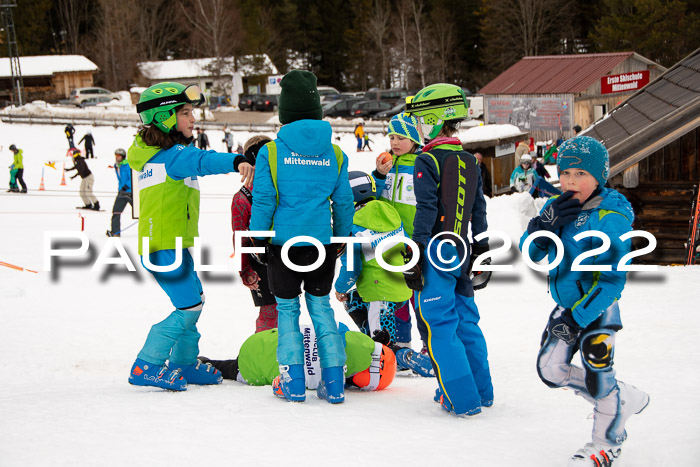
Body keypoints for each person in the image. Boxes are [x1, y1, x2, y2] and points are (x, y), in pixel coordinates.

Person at [519, 136, 649, 466]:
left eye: (580, 174)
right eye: (565, 174)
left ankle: (607, 442)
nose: (571, 182)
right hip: (566, 307)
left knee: (598, 375)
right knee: (550, 369)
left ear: (598, 177)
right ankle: (619, 398)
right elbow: (532, 254)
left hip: (598, 310)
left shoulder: (610, 216)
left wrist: (578, 318)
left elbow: (612, 279)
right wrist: (542, 226)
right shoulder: (557, 206)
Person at [126, 81, 254, 391]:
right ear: (164, 118)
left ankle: (183, 362)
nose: (192, 119)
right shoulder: (172, 156)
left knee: (194, 301)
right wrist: (236, 160)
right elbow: (202, 160)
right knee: (188, 306)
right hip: (163, 246)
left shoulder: (158, 154)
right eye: (185, 113)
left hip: (170, 245)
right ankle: (148, 364)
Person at [249, 69, 354, 404]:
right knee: (322, 308)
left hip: (283, 246)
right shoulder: (336, 154)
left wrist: (258, 239)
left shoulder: (272, 153)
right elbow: (343, 202)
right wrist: (341, 238)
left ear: (284, 113)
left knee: (287, 310)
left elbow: (264, 201)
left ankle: (293, 382)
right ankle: (335, 384)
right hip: (322, 244)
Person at [403, 83, 493, 416]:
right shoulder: (469, 160)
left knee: (439, 325)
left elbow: (426, 209)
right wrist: (482, 249)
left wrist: (415, 250)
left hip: (435, 251)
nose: (419, 127)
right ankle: (482, 392)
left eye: (422, 120)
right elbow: (479, 210)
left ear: (439, 120)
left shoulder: (427, 159)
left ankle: (462, 399)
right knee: (467, 322)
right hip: (463, 250)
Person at [335, 171, 434, 378]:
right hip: (399, 286)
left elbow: (352, 268)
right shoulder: (390, 212)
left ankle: (406, 357)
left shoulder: (353, 227)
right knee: (354, 301)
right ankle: (378, 343)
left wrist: (340, 288)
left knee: (381, 343)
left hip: (379, 293)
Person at [199, 324, 397, 393]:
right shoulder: (328, 380)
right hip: (252, 369)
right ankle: (207, 366)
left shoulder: (338, 330)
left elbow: (356, 345)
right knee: (232, 369)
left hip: (262, 340)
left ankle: (201, 362)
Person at [372, 113, 428, 353]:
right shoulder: (388, 163)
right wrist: (379, 175)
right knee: (397, 297)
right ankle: (402, 344)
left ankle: (428, 345)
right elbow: (372, 196)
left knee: (419, 297)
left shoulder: (422, 163)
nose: (394, 142)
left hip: (414, 239)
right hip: (390, 241)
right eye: (392, 136)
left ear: (415, 139)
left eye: (402, 137)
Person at [231, 135, 278, 332]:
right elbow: (239, 236)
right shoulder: (242, 199)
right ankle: (261, 356)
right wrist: (244, 270)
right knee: (271, 312)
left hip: (285, 258)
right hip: (261, 264)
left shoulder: (281, 189)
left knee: (287, 311)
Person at [106, 148, 132, 237]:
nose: (117, 157)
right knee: (116, 212)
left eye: (119, 156)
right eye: (116, 156)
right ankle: (115, 232)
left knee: (140, 212)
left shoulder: (128, 165)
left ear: (123, 157)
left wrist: (126, 186)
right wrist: (121, 188)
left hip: (130, 193)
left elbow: (132, 178)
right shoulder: (117, 166)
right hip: (122, 192)